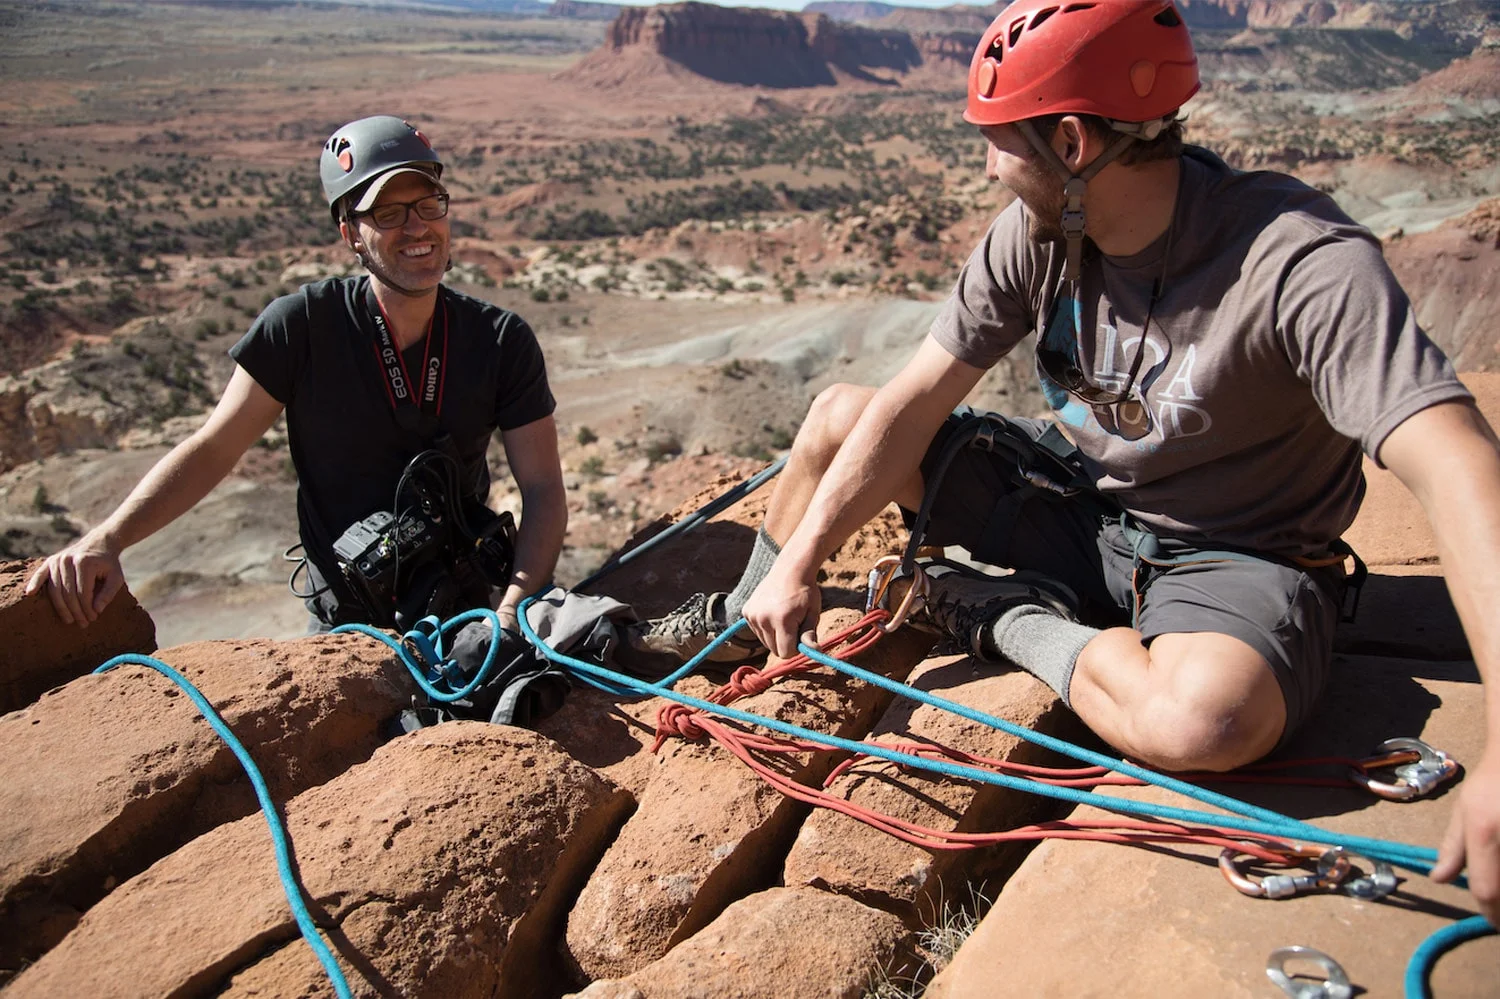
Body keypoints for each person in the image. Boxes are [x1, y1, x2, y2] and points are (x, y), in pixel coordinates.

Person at [629, 0, 1499, 921]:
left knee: (1202, 721)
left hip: (1231, 556)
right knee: (840, 417)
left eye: (999, 141)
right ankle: (740, 619)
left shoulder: (1297, 262)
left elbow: (1458, 463)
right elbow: (914, 398)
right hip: (1084, 508)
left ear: (1073, 142)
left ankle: (994, 612)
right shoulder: (1039, 236)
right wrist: (799, 562)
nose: (988, 166)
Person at [27, 115, 567, 638]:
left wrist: (511, 611)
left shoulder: (500, 339)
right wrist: (109, 539)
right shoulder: (302, 327)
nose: (417, 227)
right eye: (388, 213)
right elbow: (214, 448)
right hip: (344, 626)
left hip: (467, 618)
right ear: (350, 234)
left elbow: (542, 488)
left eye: (430, 205)